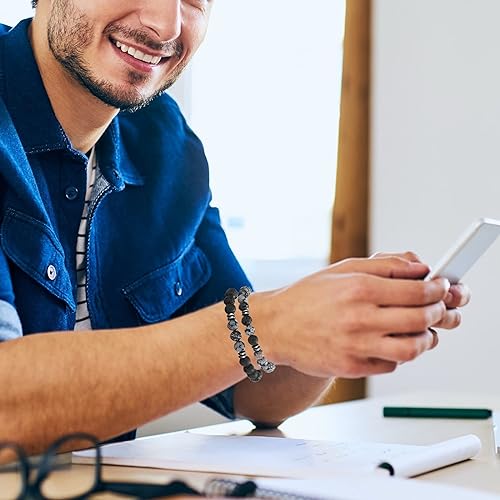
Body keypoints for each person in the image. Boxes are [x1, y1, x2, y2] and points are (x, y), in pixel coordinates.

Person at [0, 0, 469, 456]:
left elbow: (252, 387)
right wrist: (271, 323)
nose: (166, 25)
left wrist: (338, 318)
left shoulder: (166, 144)